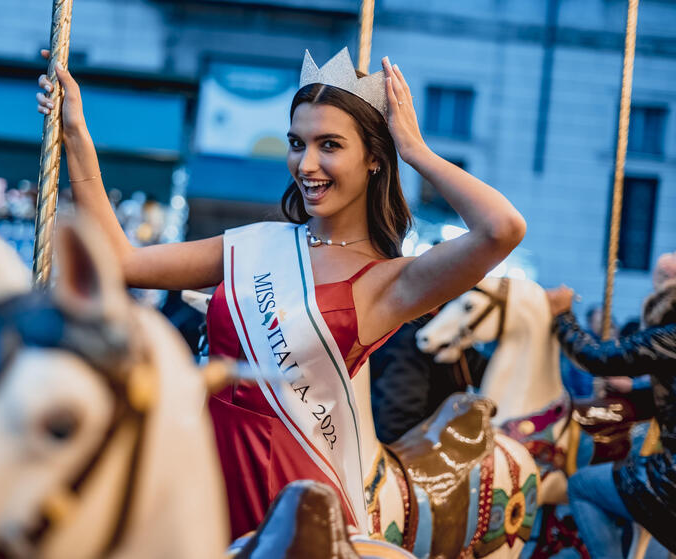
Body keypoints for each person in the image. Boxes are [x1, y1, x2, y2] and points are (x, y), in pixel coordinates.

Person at [35, 47, 526, 538]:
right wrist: (76, 134)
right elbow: (123, 264)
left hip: (286, 507)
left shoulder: (390, 282)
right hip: (199, 479)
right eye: (297, 142)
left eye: (329, 145)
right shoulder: (254, 245)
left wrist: (415, 150)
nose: (306, 163)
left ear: (375, 157)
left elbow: (501, 228)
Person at [546, 279, 676, 557]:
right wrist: (634, 388)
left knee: (581, 485)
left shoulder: (669, 335)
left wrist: (562, 316)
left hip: (671, 480)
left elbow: (596, 358)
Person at [369, 309, 488, 444]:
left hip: (432, 435)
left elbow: (480, 369)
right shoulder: (410, 331)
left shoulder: (445, 327)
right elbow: (396, 418)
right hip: (412, 444)